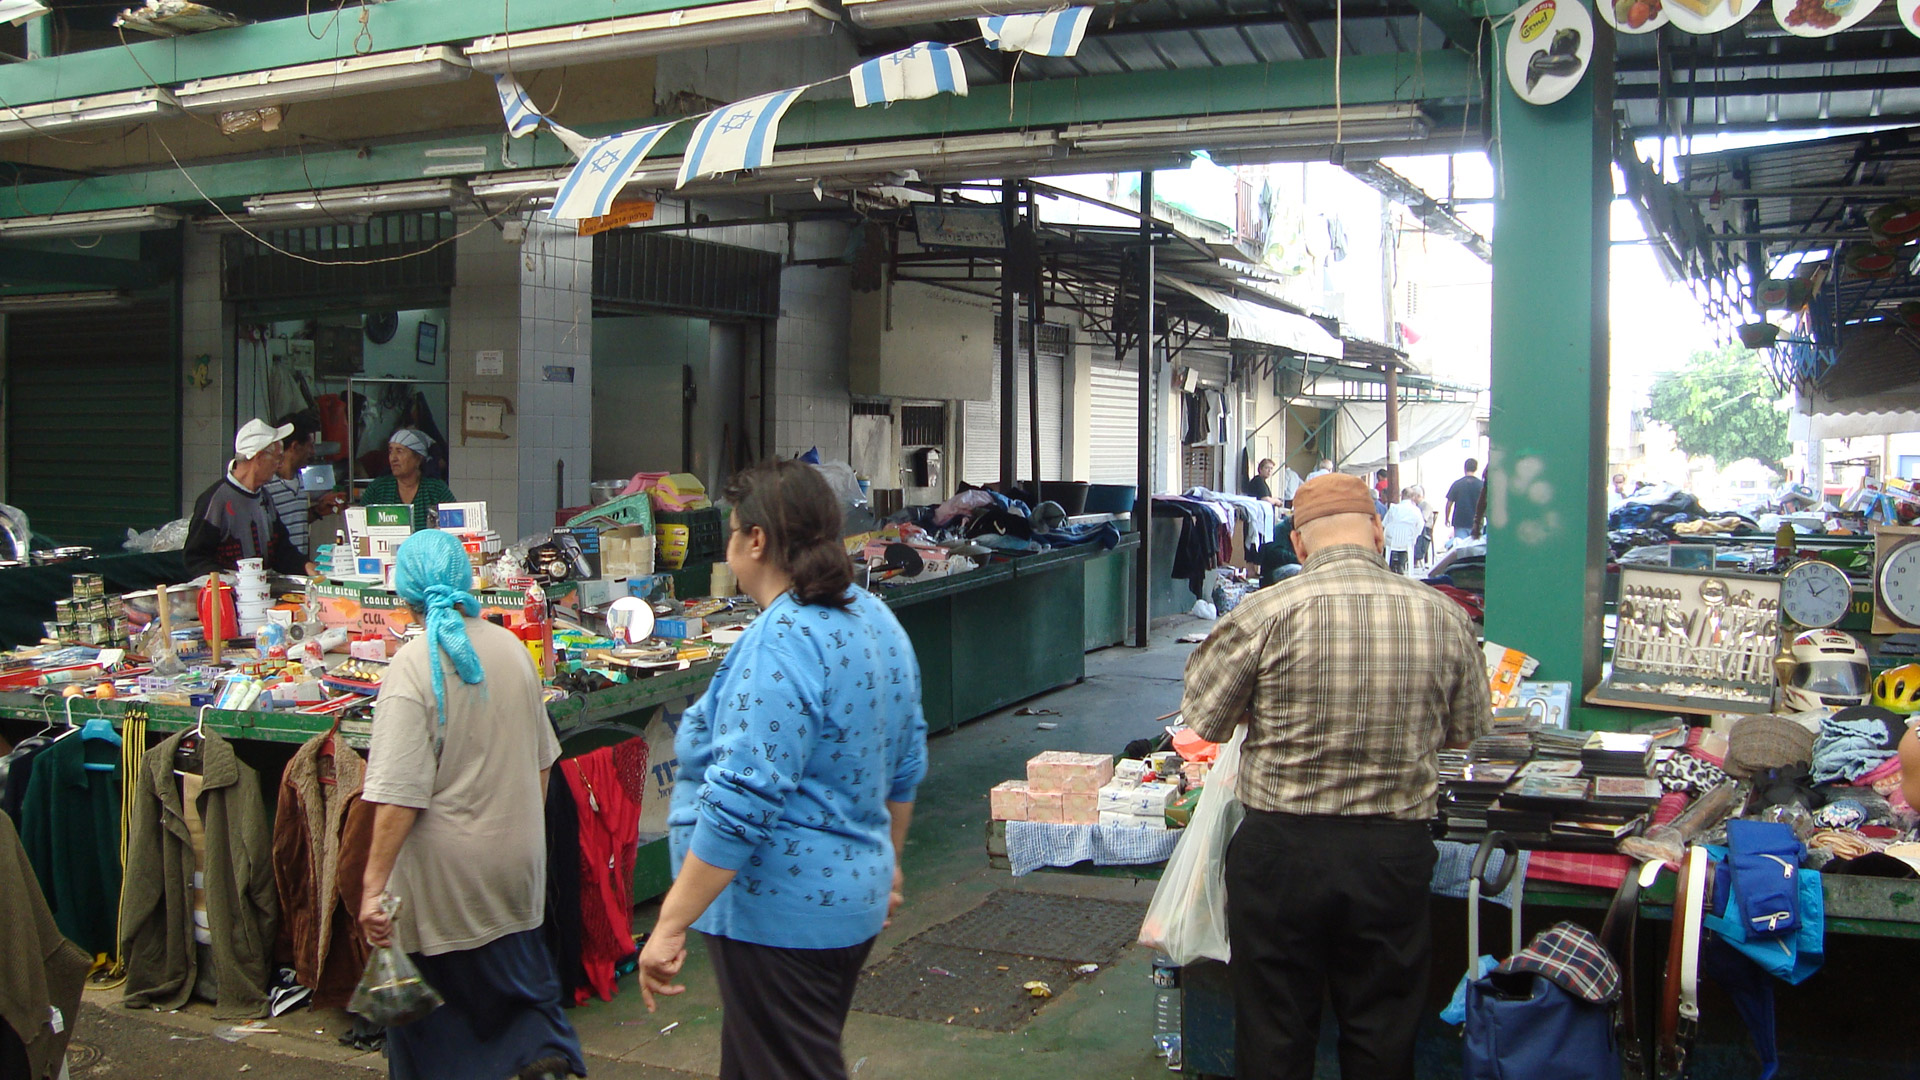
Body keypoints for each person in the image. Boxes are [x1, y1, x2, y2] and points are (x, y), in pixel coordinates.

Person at [1179, 472, 1489, 1080]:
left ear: (1298, 543)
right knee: (1381, 1035)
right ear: (1378, 530)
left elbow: (1205, 722)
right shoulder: (1442, 615)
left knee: (1273, 1035)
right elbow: (1468, 733)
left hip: (1281, 856)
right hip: (1391, 856)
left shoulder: (1263, 612)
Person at [640, 459, 929, 1080]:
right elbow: (905, 761)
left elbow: (741, 801)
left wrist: (669, 922)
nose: (731, 547)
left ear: (758, 540)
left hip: (782, 916)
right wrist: (890, 864)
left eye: (733, 530)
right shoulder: (872, 617)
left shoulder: (785, 638)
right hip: (848, 900)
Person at [357, 529, 583, 1080]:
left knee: (437, 1034)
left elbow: (396, 796)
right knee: (520, 998)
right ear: (465, 580)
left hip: (446, 885)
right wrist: (518, 827)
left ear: (405, 594)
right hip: (517, 870)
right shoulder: (511, 649)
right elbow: (543, 762)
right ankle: (538, 1055)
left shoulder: (412, 667)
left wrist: (372, 887)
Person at [184, 418, 308, 576]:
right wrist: (229, 581)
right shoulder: (216, 500)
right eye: (278, 457)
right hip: (227, 594)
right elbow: (195, 559)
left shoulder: (264, 497)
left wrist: (305, 566)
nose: (279, 464)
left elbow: (281, 550)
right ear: (259, 458)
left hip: (261, 591)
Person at [359, 428, 455, 531]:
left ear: (418, 459)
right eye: (391, 451)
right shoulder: (378, 488)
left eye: (399, 451)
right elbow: (359, 523)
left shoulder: (436, 489)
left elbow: (456, 523)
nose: (393, 458)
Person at [262, 411, 327, 557]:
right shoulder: (266, 484)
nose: (313, 452)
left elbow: (294, 522)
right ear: (295, 446)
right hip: (276, 569)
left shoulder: (301, 480)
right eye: (310, 446)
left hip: (299, 567)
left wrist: (318, 511)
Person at [1382, 486, 1425, 573]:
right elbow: (1421, 525)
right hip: (1408, 539)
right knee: (1407, 544)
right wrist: (1415, 535)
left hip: (1392, 539)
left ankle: (1391, 564)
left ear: (1401, 496)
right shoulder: (1416, 510)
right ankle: (1401, 564)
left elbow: (1384, 524)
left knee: (1388, 543)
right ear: (1413, 497)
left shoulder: (1394, 508)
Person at [1444, 458, 1485, 547]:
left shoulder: (1457, 484)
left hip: (1460, 522)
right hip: (1477, 522)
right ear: (1476, 468)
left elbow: (1449, 504)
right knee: (1475, 548)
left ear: (1464, 468)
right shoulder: (1481, 485)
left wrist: (1447, 518)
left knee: (1461, 548)